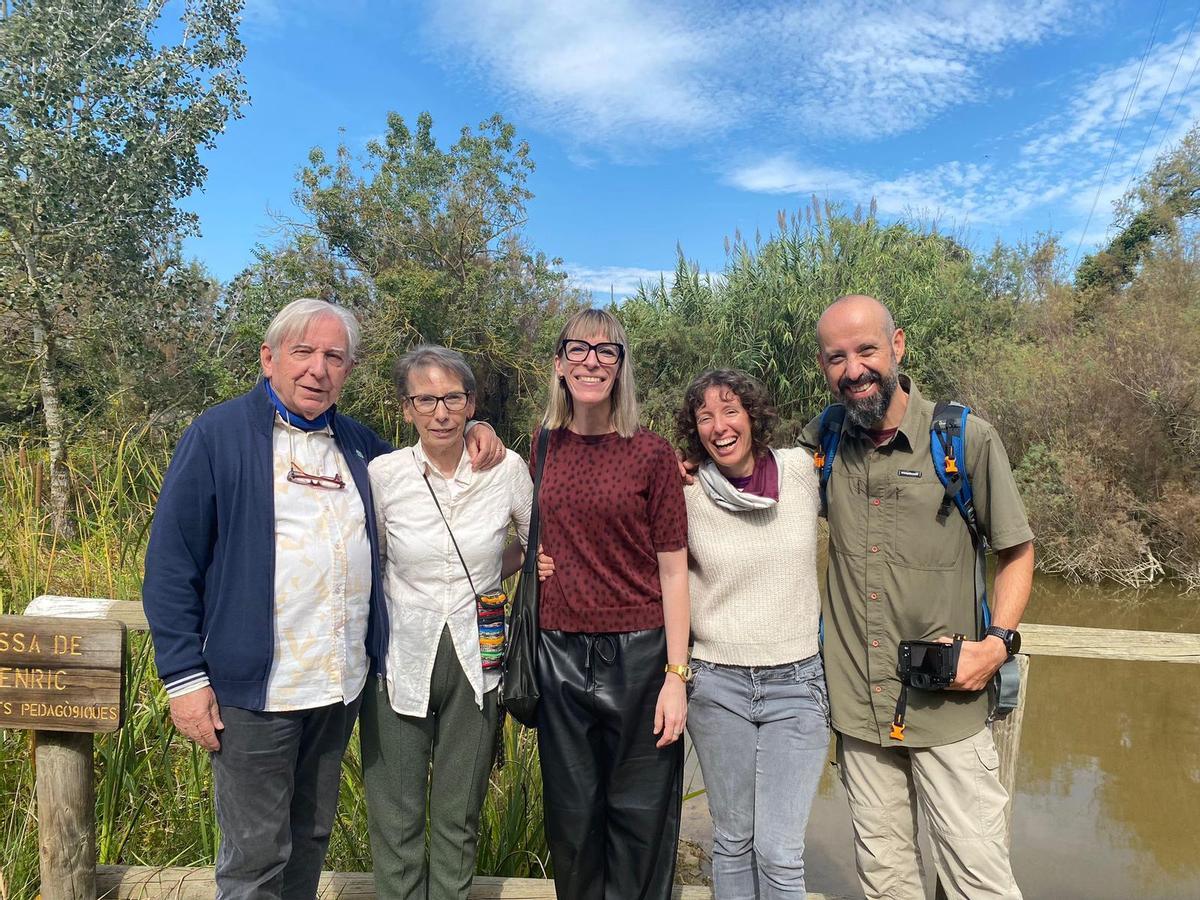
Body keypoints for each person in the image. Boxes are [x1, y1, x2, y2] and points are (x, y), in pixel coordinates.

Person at [142, 298, 503, 899]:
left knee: (309, 839)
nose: (317, 369)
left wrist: (472, 432)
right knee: (254, 857)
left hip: (338, 687)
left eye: (334, 357)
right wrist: (184, 678)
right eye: (303, 352)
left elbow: (431, 468)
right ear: (269, 359)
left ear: (349, 370)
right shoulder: (218, 436)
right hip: (255, 693)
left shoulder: (363, 449)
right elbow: (171, 565)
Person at [802, 294, 1034, 900]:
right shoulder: (826, 442)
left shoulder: (964, 440)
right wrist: (688, 467)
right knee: (888, 885)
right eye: (837, 357)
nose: (853, 370)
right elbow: (750, 474)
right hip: (858, 711)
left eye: (867, 350)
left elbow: (1017, 552)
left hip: (948, 710)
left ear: (898, 346)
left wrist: (998, 644)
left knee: (979, 883)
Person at [362, 346, 532, 900]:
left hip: (478, 658)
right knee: (396, 813)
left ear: (471, 404)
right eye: (426, 399)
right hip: (399, 658)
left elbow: (536, 546)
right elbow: (374, 560)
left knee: (460, 815)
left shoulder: (507, 470)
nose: (440, 412)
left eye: (452, 398)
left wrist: (489, 573)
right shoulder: (384, 475)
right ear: (407, 408)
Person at [532, 307, 689, 900]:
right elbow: (532, 533)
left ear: (622, 367)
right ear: (560, 363)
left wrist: (677, 675)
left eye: (607, 351)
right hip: (559, 651)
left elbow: (674, 570)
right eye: (579, 349)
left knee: (641, 820)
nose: (592, 361)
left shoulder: (651, 453)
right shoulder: (541, 446)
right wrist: (536, 559)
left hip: (642, 655)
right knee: (572, 823)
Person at [675, 369, 829, 898]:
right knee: (733, 841)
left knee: (781, 851)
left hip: (798, 684)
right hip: (717, 685)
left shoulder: (801, 471)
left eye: (731, 411)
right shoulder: (686, 491)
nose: (720, 427)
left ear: (753, 416)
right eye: (705, 417)